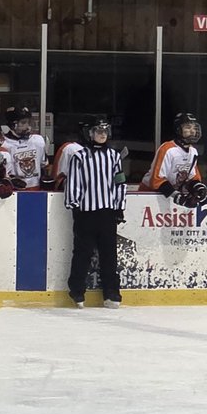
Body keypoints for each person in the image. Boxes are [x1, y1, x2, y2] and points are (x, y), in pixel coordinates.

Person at [64, 116, 126, 309]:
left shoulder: (114, 156)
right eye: (98, 131)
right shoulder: (80, 156)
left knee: (109, 254)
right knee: (83, 253)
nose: (102, 134)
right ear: (89, 133)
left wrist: (119, 206)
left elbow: (119, 183)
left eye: (104, 131)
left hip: (107, 212)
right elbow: (73, 181)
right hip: (86, 212)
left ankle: (111, 292)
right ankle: (77, 290)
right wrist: (74, 205)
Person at [139, 112, 207, 206]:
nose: (192, 131)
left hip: (168, 195)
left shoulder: (193, 152)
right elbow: (156, 180)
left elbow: (192, 177)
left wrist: (197, 188)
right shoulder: (168, 149)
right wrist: (177, 197)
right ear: (178, 130)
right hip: (149, 195)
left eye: (194, 128)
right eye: (188, 127)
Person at [1, 106, 51, 189]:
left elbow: (44, 166)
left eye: (29, 122)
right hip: (14, 193)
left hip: (37, 190)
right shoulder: (4, 145)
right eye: (23, 123)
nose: (28, 127)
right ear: (13, 125)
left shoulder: (38, 141)